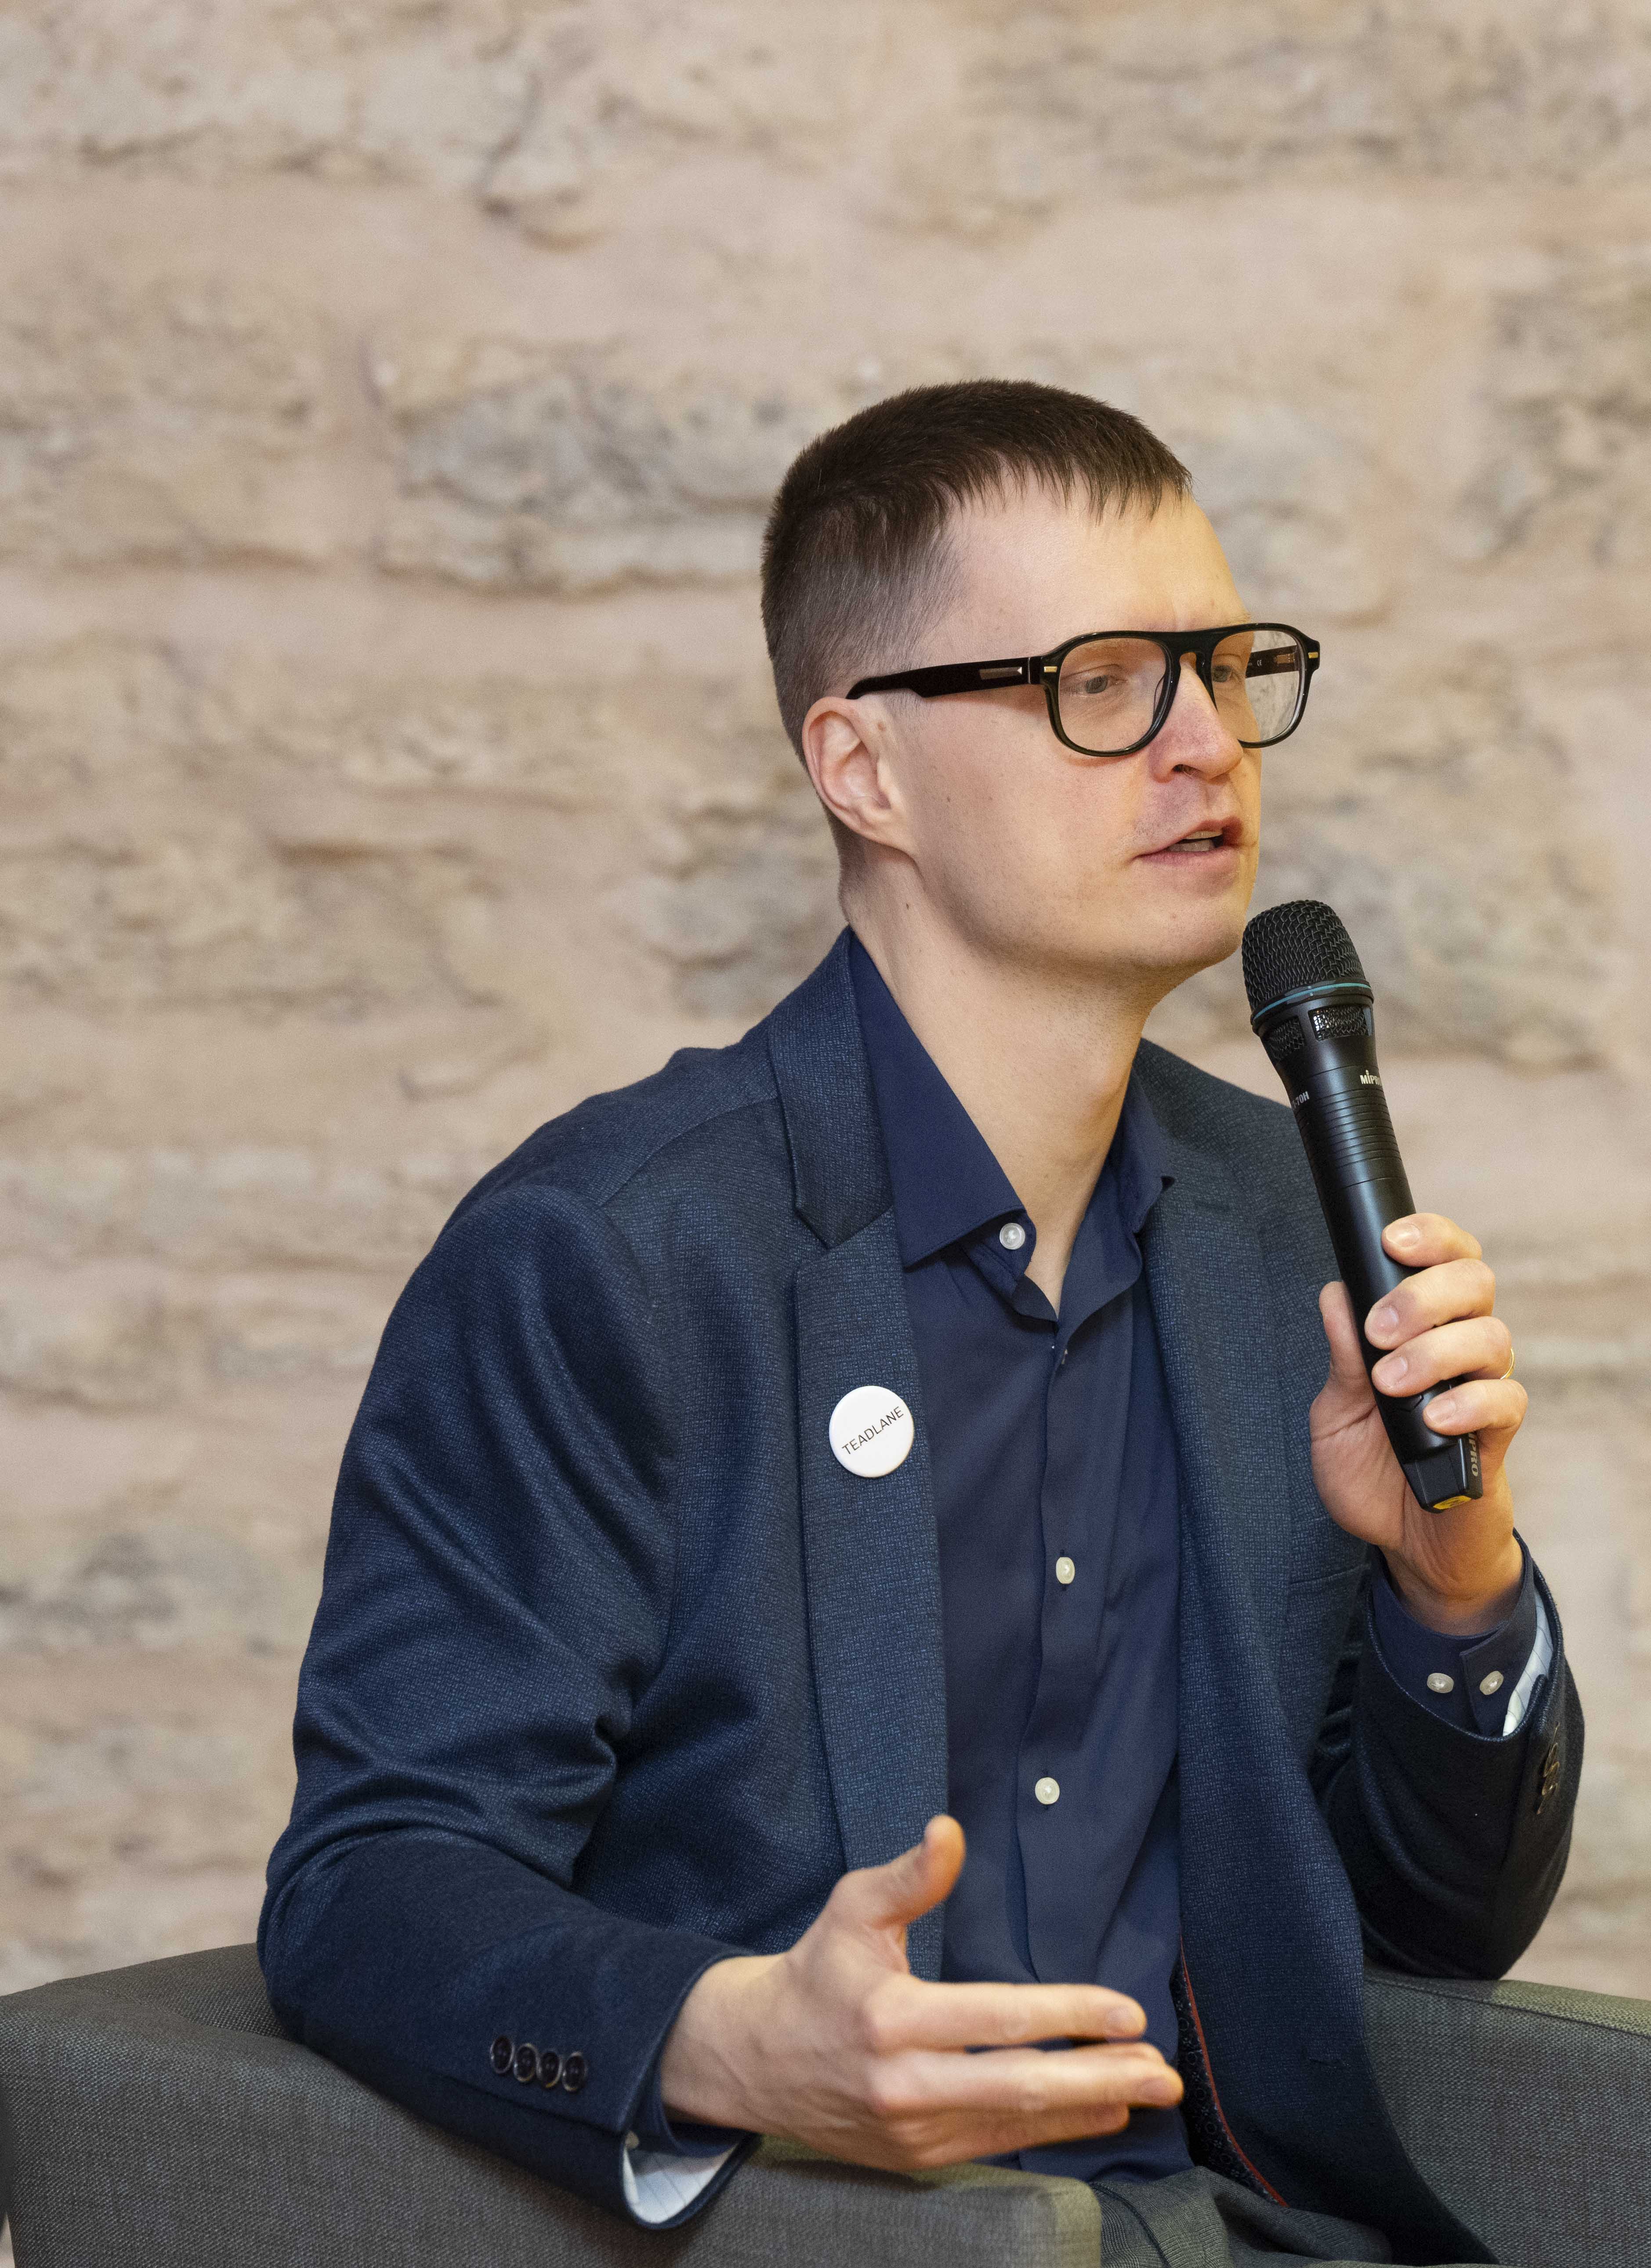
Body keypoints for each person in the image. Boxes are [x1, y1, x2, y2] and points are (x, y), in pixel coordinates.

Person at [259, 380, 1580, 2266]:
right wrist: (738, 2043)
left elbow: (1430, 1927)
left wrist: (1455, 1579)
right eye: (1103, 682)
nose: (1205, 744)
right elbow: (372, 1885)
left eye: (1229, 670)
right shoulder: (614, 1255)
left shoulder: (1283, 1225)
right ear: (862, 767)